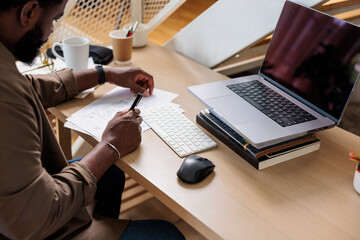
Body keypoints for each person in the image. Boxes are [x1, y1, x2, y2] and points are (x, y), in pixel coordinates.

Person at [0, 0, 185, 239]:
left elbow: (29, 87)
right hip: (34, 224)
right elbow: (32, 219)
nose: (52, 30)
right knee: (166, 234)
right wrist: (110, 146)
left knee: (112, 171)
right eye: (54, 19)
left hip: (25, 209)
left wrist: (104, 73)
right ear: (29, 12)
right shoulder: (4, 96)